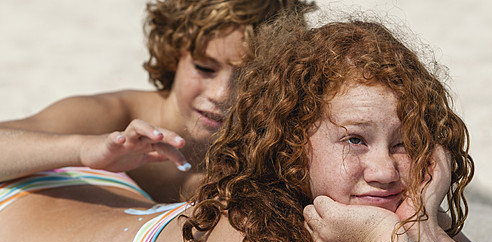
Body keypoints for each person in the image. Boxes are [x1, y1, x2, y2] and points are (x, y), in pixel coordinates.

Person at [1, 15, 491, 242]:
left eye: (405, 144)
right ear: (293, 146)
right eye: (354, 140)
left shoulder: (384, 205)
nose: (385, 169)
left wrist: (425, 236)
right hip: (16, 212)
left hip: (104, 207)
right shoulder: (248, 239)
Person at [0, 0, 315, 203]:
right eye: (205, 68)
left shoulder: (267, 145)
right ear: (174, 52)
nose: (221, 94)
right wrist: (84, 150)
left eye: (248, 78)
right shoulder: (116, 116)